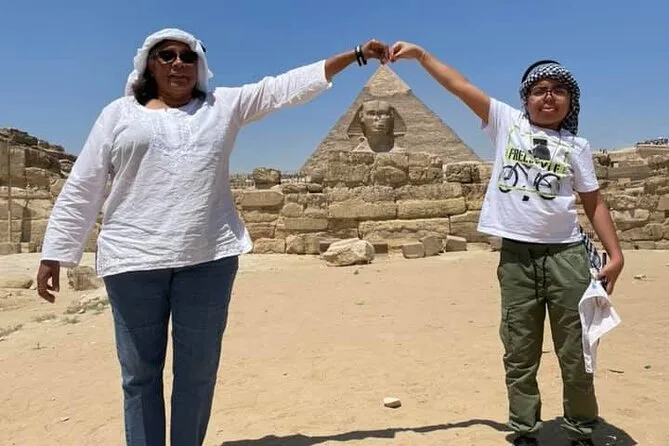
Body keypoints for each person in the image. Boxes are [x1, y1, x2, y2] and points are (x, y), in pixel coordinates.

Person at [36, 28, 390, 446]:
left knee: (197, 374)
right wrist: (55, 252)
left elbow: (285, 87)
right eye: (167, 55)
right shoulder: (118, 114)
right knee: (139, 376)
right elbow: (84, 184)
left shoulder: (222, 107)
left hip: (207, 261)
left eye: (188, 56)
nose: (178, 63)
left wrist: (355, 55)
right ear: (149, 64)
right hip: (133, 261)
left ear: (199, 65)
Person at [389, 42, 624, 446]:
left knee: (577, 352)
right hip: (517, 259)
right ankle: (524, 430)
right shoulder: (506, 123)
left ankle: (581, 429)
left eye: (558, 90)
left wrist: (616, 255)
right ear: (525, 98)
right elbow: (460, 86)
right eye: (539, 90)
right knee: (519, 351)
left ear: (571, 100)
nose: (548, 97)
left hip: (567, 256)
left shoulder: (578, 147)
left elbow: (594, 202)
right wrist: (422, 57)